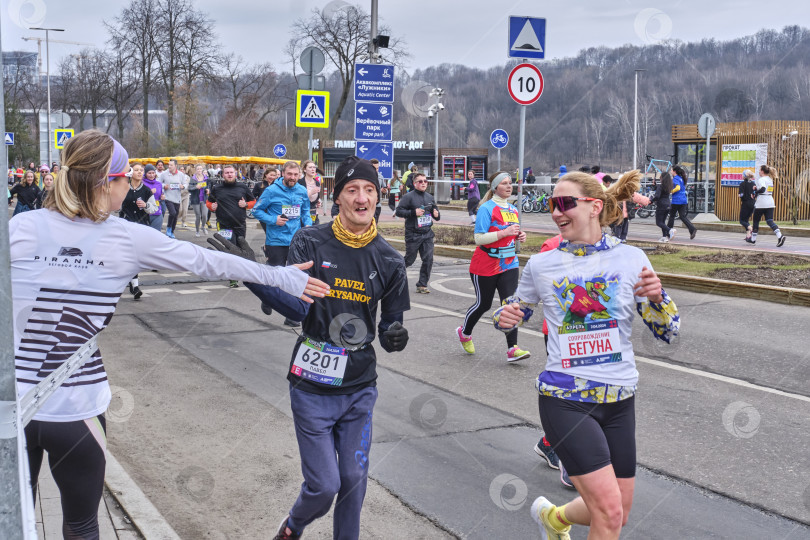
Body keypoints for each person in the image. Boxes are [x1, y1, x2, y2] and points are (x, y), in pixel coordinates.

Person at [10, 130, 329, 540]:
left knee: (12, 521)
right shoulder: (125, 236)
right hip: (77, 405)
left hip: (11, 404)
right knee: (82, 524)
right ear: (108, 182)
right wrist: (279, 277)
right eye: (125, 179)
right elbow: (207, 262)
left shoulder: (22, 227)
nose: (127, 189)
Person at [219, 155, 410, 540]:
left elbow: (391, 323)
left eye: (369, 190)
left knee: (354, 479)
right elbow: (295, 308)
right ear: (336, 197)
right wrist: (253, 274)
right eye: (352, 190)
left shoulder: (390, 260)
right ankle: (293, 526)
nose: (362, 198)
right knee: (324, 487)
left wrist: (394, 334)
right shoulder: (310, 241)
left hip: (359, 386)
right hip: (312, 386)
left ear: (378, 197)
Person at [494, 170, 680, 540]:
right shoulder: (542, 265)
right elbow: (515, 311)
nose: (556, 212)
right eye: (552, 205)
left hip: (619, 400)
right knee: (608, 512)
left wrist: (659, 299)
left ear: (595, 207)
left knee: (618, 512)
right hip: (566, 401)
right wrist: (505, 316)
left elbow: (667, 332)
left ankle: (554, 519)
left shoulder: (631, 258)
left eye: (564, 204)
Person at [456, 171, 531, 363]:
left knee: (511, 305)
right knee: (484, 304)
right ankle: (465, 333)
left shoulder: (513, 210)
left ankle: (512, 349)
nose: (509, 186)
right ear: (495, 187)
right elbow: (479, 238)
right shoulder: (486, 209)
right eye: (504, 183)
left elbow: (510, 233)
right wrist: (504, 232)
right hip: (486, 264)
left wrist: (519, 236)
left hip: (509, 263)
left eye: (510, 183)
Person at [253, 161, 312, 324]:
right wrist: (273, 219)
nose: (292, 177)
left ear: (299, 175)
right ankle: (267, 298)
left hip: (297, 240)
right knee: (274, 275)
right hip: (276, 240)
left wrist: (308, 225)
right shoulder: (271, 191)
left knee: (296, 276)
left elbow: (306, 211)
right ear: (283, 174)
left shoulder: (301, 190)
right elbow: (256, 210)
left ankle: (292, 316)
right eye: (289, 174)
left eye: (295, 175)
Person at [207, 164, 256, 287]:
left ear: (235, 174)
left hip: (240, 224)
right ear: (223, 175)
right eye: (227, 172)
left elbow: (253, 201)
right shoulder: (217, 188)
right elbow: (209, 202)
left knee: (241, 248)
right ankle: (232, 277)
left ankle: (242, 273)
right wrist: (211, 207)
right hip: (224, 224)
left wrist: (245, 205)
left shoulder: (242, 187)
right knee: (230, 249)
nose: (229, 174)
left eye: (231, 172)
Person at [396, 172, 440, 294]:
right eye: (420, 181)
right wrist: (413, 213)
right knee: (409, 260)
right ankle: (393, 275)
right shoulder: (408, 197)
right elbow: (399, 211)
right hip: (413, 234)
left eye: (425, 181)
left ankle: (422, 285)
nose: (423, 183)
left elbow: (436, 213)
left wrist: (437, 215)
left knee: (428, 259)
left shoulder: (430, 197)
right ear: (415, 183)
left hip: (427, 233)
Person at [120, 162, 159, 300]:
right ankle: (135, 286)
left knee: (136, 257)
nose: (139, 172)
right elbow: (115, 206)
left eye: (141, 170)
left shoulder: (147, 191)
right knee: (131, 257)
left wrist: (146, 205)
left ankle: (132, 283)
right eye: (136, 170)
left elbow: (154, 209)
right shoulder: (123, 188)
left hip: (142, 226)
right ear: (131, 172)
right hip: (125, 226)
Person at [750, 164, 786, 247]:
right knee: (769, 220)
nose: (759, 172)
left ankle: (753, 239)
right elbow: (765, 189)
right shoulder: (770, 179)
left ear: (762, 171)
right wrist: (757, 189)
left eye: (759, 170)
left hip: (761, 202)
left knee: (756, 221)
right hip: (770, 201)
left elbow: (762, 189)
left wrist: (754, 192)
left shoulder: (761, 179)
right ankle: (780, 236)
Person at [158, 159, 188, 238]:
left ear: (175, 166)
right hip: (168, 197)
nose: (169, 166)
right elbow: (158, 182)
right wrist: (164, 186)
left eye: (171, 165)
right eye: (169, 165)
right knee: (172, 213)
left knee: (176, 215)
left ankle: (172, 231)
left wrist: (183, 186)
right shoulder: (164, 173)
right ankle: (168, 228)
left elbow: (185, 183)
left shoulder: (181, 174)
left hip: (177, 198)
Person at [666, 165, 697, 240]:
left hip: (677, 200)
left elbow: (678, 188)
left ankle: (668, 232)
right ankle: (692, 229)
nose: (670, 171)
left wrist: (671, 191)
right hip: (683, 200)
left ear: (674, 171)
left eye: (671, 170)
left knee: (672, 216)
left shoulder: (675, 178)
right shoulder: (681, 178)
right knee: (682, 216)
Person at [254, 167, 279, 233]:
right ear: (266, 175)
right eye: (271, 175)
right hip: (264, 212)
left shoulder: (278, 186)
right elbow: (252, 197)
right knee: (267, 231)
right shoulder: (258, 185)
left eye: (274, 175)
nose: (272, 177)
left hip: (274, 212)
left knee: (274, 231)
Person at [650, 172, 673, 242]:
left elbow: (657, 196)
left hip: (661, 206)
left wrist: (651, 200)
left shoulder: (661, 186)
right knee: (663, 222)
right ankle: (664, 237)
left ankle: (670, 230)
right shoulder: (668, 186)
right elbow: (660, 190)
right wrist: (655, 186)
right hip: (668, 205)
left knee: (659, 222)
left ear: (662, 178)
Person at [141, 164, 164, 232]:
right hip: (145, 212)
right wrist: (150, 193)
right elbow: (139, 196)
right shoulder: (142, 183)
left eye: (153, 173)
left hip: (157, 211)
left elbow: (160, 195)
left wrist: (162, 197)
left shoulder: (158, 184)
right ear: (145, 174)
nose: (151, 175)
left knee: (156, 234)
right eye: (149, 173)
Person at [298, 160, 322, 226]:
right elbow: (297, 199)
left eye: (314, 167)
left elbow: (317, 197)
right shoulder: (299, 182)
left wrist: (318, 201)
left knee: (315, 233)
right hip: (302, 214)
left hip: (313, 213)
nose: (313, 169)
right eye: (310, 167)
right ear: (305, 170)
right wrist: (310, 192)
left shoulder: (317, 182)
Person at [738, 169, 757, 242]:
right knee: (746, 220)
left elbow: (741, 194)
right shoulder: (753, 184)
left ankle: (751, 229)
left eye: (742, 174)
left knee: (742, 221)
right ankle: (748, 236)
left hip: (746, 203)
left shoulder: (742, 184)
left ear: (745, 176)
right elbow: (755, 193)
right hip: (753, 203)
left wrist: (739, 195)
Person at [369, 158, 386, 222]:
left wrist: (385, 191)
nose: (376, 170)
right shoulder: (365, 177)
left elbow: (385, 189)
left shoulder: (381, 177)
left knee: (375, 224)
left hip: (377, 205)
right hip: (368, 205)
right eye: (374, 168)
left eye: (377, 168)